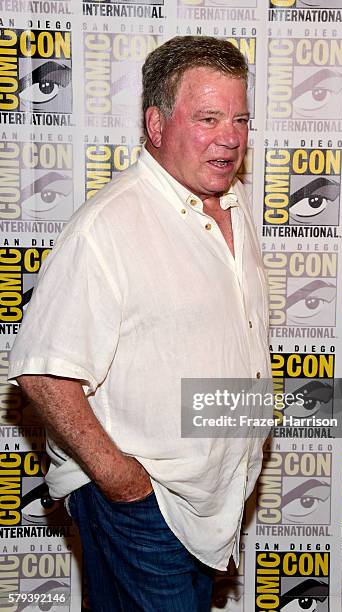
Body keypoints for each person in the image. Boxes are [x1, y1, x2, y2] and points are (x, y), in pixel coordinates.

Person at [8, 36, 271, 612]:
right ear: (156, 124)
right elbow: (43, 374)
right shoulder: (108, 228)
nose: (230, 136)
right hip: (144, 508)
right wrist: (126, 486)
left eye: (240, 118)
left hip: (209, 505)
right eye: (208, 118)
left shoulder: (233, 205)